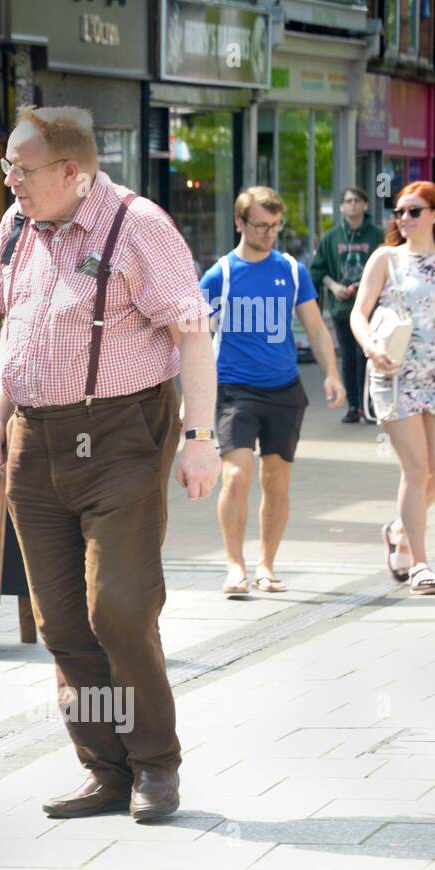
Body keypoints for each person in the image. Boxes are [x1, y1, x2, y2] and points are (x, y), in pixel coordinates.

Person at [0, 105, 220, 823]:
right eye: (6, 166)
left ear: (71, 172)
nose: (10, 180)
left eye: (21, 168)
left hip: (121, 435)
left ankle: (155, 764)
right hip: (35, 439)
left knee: (117, 605)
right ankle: (106, 768)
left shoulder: (138, 225)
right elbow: (14, 329)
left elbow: (193, 333)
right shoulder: (16, 226)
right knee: (60, 622)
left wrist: (202, 435)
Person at [199, 187, 346, 596]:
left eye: (275, 226)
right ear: (239, 223)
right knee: (236, 476)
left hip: (284, 390)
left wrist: (332, 374)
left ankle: (266, 565)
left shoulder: (291, 270)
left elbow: (316, 328)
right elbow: (195, 338)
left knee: (277, 482)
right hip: (234, 390)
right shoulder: (220, 275)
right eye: (261, 225)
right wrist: (188, 399)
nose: (269, 234)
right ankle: (234, 565)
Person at [350, 181, 435, 596]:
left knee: (434, 473)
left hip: (434, 378)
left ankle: (400, 529)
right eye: (399, 212)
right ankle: (420, 563)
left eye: (414, 211)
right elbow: (358, 313)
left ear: (433, 215)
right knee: (417, 470)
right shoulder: (387, 258)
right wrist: (370, 348)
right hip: (396, 374)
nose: (403, 219)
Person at [310, 187, 385, 422]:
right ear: (341, 206)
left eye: (357, 201)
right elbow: (318, 270)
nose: (352, 205)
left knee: (368, 356)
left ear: (365, 205)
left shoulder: (377, 236)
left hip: (371, 311)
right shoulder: (332, 237)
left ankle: (370, 404)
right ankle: (353, 406)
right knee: (349, 358)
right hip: (342, 310)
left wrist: (363, 286)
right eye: (347, 201)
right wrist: (333, 286)